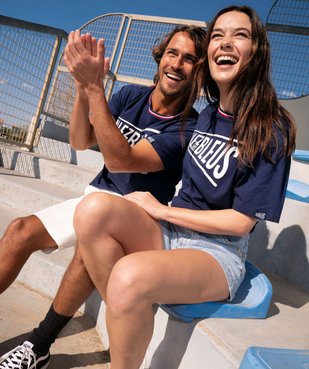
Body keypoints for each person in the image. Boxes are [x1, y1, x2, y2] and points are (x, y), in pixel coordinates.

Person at [72, 6, 296, 369]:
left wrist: (161, 209)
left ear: (258, 51)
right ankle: (129, 315)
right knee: (92, 210)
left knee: (127, 277)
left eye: (240, 35)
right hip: (171, 232)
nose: (226, 42)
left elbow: (241, 223)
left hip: (217, 253)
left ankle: (124, 346)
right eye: (218, 35)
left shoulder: (272, 127)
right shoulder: (205, 115)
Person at [0, 25, 207, 369]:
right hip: (97, 197)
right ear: (159, 57)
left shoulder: (188, 126)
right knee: (20, 230)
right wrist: (84, 90)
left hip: (134, 216)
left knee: (87, 246)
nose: (177, 64)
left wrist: (96, 89)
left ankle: (38, 346)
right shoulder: (129, 96)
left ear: (199, 73)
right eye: (173, 53)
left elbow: (120, 159)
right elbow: (81, 141)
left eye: (190, 60)